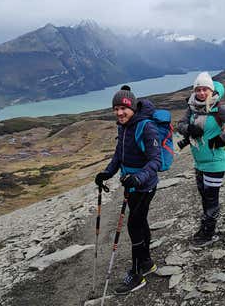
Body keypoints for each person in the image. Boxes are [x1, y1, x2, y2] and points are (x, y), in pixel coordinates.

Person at [95, 85, 161, 294]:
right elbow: (119, 155)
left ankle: (136, 274)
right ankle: (146, 263)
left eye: (123, 108)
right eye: (115, 109)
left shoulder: (146, 127)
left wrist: (138, 178)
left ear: (132, 108)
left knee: (134, 225)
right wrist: (107, 173)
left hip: (144, 185)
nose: (119, 113)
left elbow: (155, 160)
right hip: (130, 184)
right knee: (140, 222)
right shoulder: (123, 127)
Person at [177, 72, 225, 247]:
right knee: (204, 195)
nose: (201, 93)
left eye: (204, 89)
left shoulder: (219, 108)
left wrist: (223, 138)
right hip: (200, 161)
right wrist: (189, 129)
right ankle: (208, 227)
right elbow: (180, 125)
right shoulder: (192, 107)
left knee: (210, 197)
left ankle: (208, 234)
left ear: (211, 90)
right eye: (198, 89)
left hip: (216, 161)